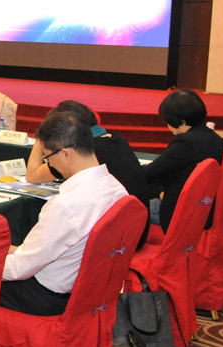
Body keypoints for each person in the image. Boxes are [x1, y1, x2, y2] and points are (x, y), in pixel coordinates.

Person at [0, 111, 128, 316]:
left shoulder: (67, 204)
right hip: (89, 287)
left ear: (66, 154)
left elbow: (18, 269)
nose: (49, 165)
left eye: (48, 158)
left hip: (50, 297)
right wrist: (11, 251)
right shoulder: (117, 188)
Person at [26, 100, 149, 246]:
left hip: (118, 240)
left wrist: (43, 137)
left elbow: (32, 176)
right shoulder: (116, 140)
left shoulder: (78, 152)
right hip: (135, 229)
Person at [142, 89, 223, 232]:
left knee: (123, 208)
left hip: (181, 213)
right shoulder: (214, 138)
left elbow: (150, 172)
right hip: (206, 207)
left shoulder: (186, 142)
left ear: (181, 122)